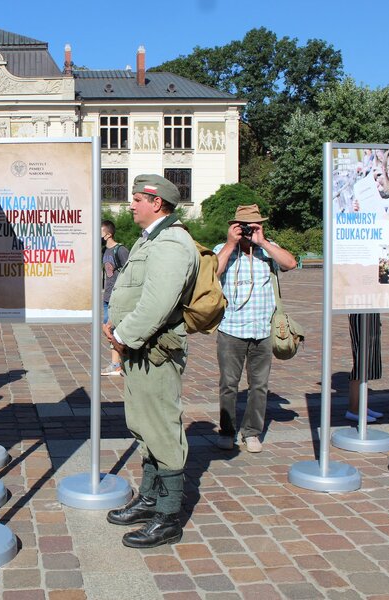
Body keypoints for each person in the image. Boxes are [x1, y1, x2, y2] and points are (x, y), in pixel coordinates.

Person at [101, 174, 199, 549]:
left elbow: (158, 304)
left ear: (157, 203)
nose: (131, 204)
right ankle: (150, 498)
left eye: (137, 198)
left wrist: (123, 336)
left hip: (155, 349)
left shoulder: (173, 242)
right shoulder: (152, 239)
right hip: (142, 349)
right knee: (143, 424)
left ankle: (168, 515)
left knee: (161, 427)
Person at [213, 205, 297, 453]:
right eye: (243, 226)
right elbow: (211, 273)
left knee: (259, 385)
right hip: (231, 329)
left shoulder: (268, 250)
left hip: (263, 330)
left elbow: (290, 263)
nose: (248, 231)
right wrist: (231, 244)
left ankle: (252, 432)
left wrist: (263, 241)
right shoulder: (223, 249)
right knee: (229, 384)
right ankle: (227, 430)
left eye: (253, 226)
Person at [100, 219, 130, 377]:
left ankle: (119, 364)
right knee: (109, 330)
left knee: (113, 329)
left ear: (108, 234)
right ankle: (119, 364)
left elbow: (130, 273)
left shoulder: (121, 250)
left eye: (100, 232)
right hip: (107, 296)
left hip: (117, 297)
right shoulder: (105, 250)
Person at [346, 313, 383, 423]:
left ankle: (361, 406)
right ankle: (353, 409)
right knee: (361, 360)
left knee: (369, 359)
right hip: (359, 309)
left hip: (371, 310)